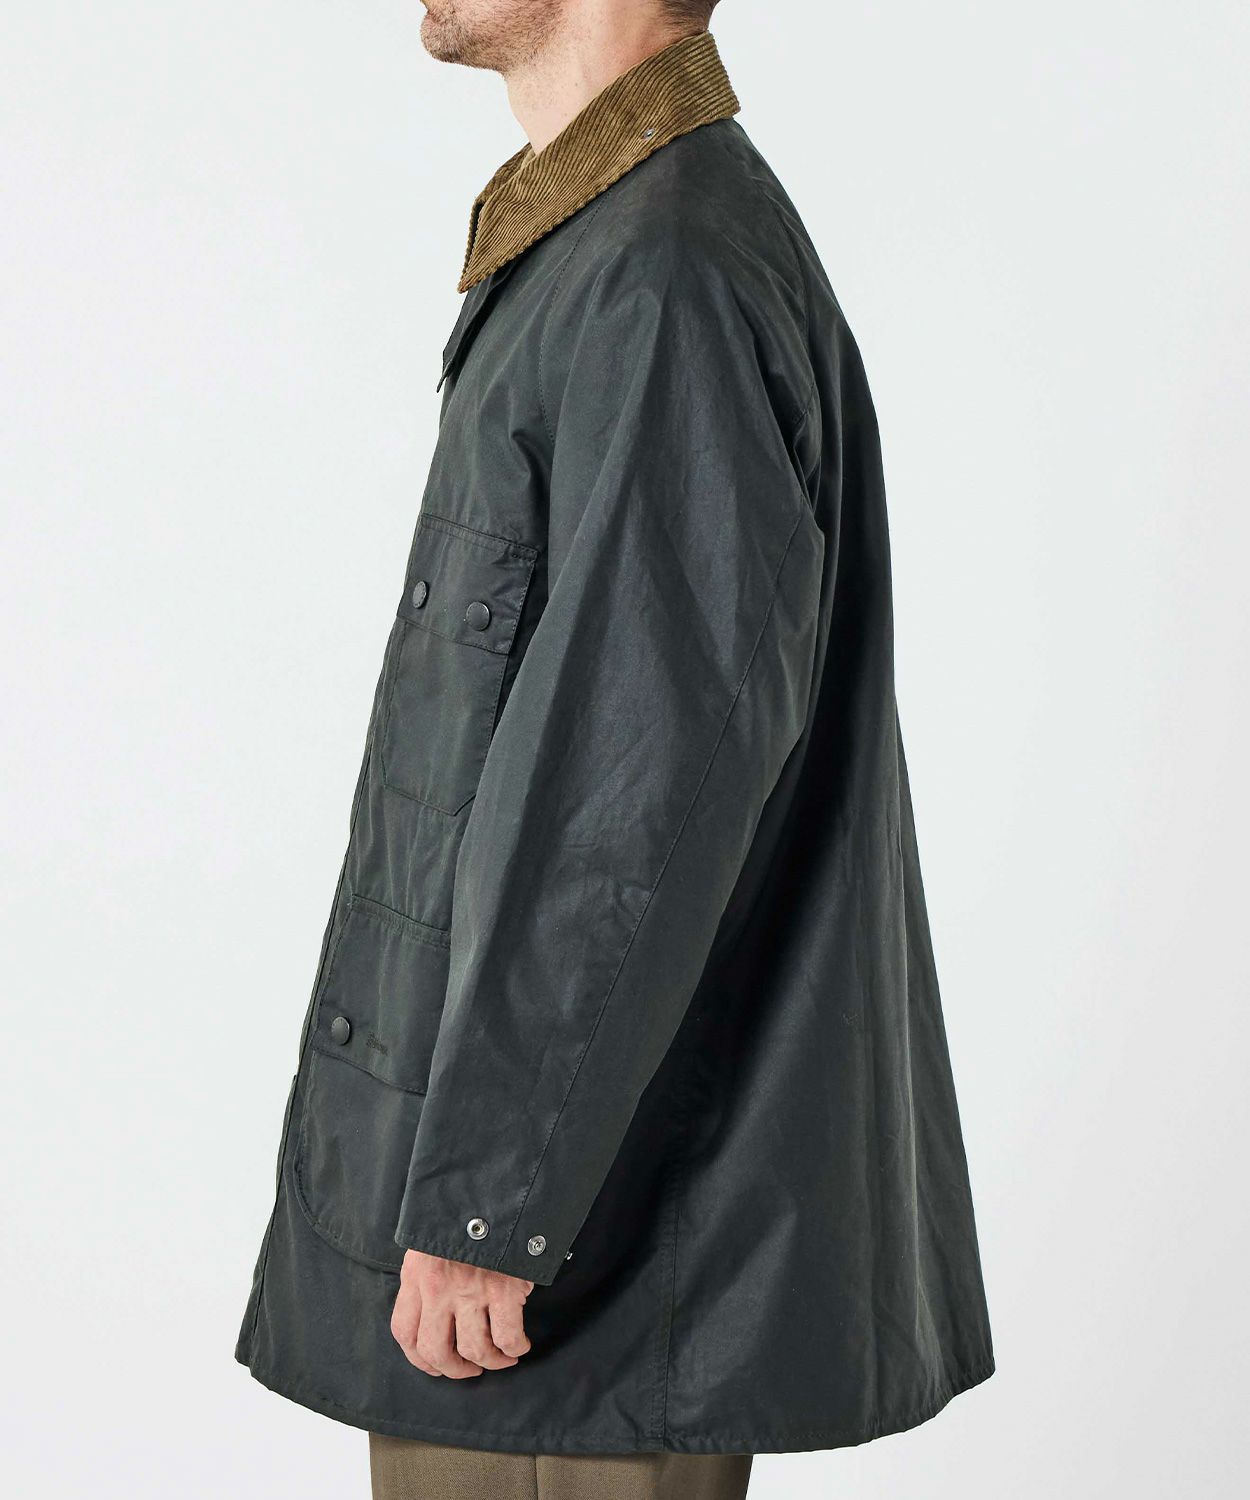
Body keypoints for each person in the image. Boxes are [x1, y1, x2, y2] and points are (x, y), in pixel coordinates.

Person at [236, 3, 995, 1496]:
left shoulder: (663, 272)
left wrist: (489, 1204)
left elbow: (631, 790)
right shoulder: (609, 246)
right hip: (560, 1226)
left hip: (577, 1282)